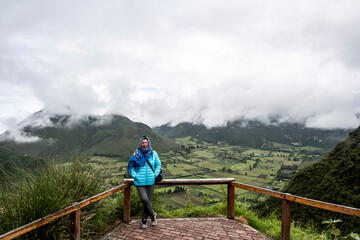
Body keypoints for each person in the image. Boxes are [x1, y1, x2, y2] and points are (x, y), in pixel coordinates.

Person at [127, 136, 161, 229]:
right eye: (143, 143)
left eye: (146, 142)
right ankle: (153, 215)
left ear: (149, 143)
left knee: (147, 202)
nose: (144, 144)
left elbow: (158, 165)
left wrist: (154, 174)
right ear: (140, 143)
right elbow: (131, 167)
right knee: (144, 199)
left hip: (150, 181)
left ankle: (144, 221)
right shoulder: (136, 154)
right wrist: (135, 175)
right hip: (139, 182)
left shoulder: (154, 154)